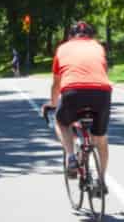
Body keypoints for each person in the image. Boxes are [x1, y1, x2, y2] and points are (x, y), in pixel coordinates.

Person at [45, 21, 112, 192]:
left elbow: (56, 84)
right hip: (102, 93)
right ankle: (101, 181)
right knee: (101, 139)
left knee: (60, 121)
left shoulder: (62, 49)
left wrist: (53, 104)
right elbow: (103, 72)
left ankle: (71, 157)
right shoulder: (98, 47)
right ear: (91, 36)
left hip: (73, 92)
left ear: (70, 36)